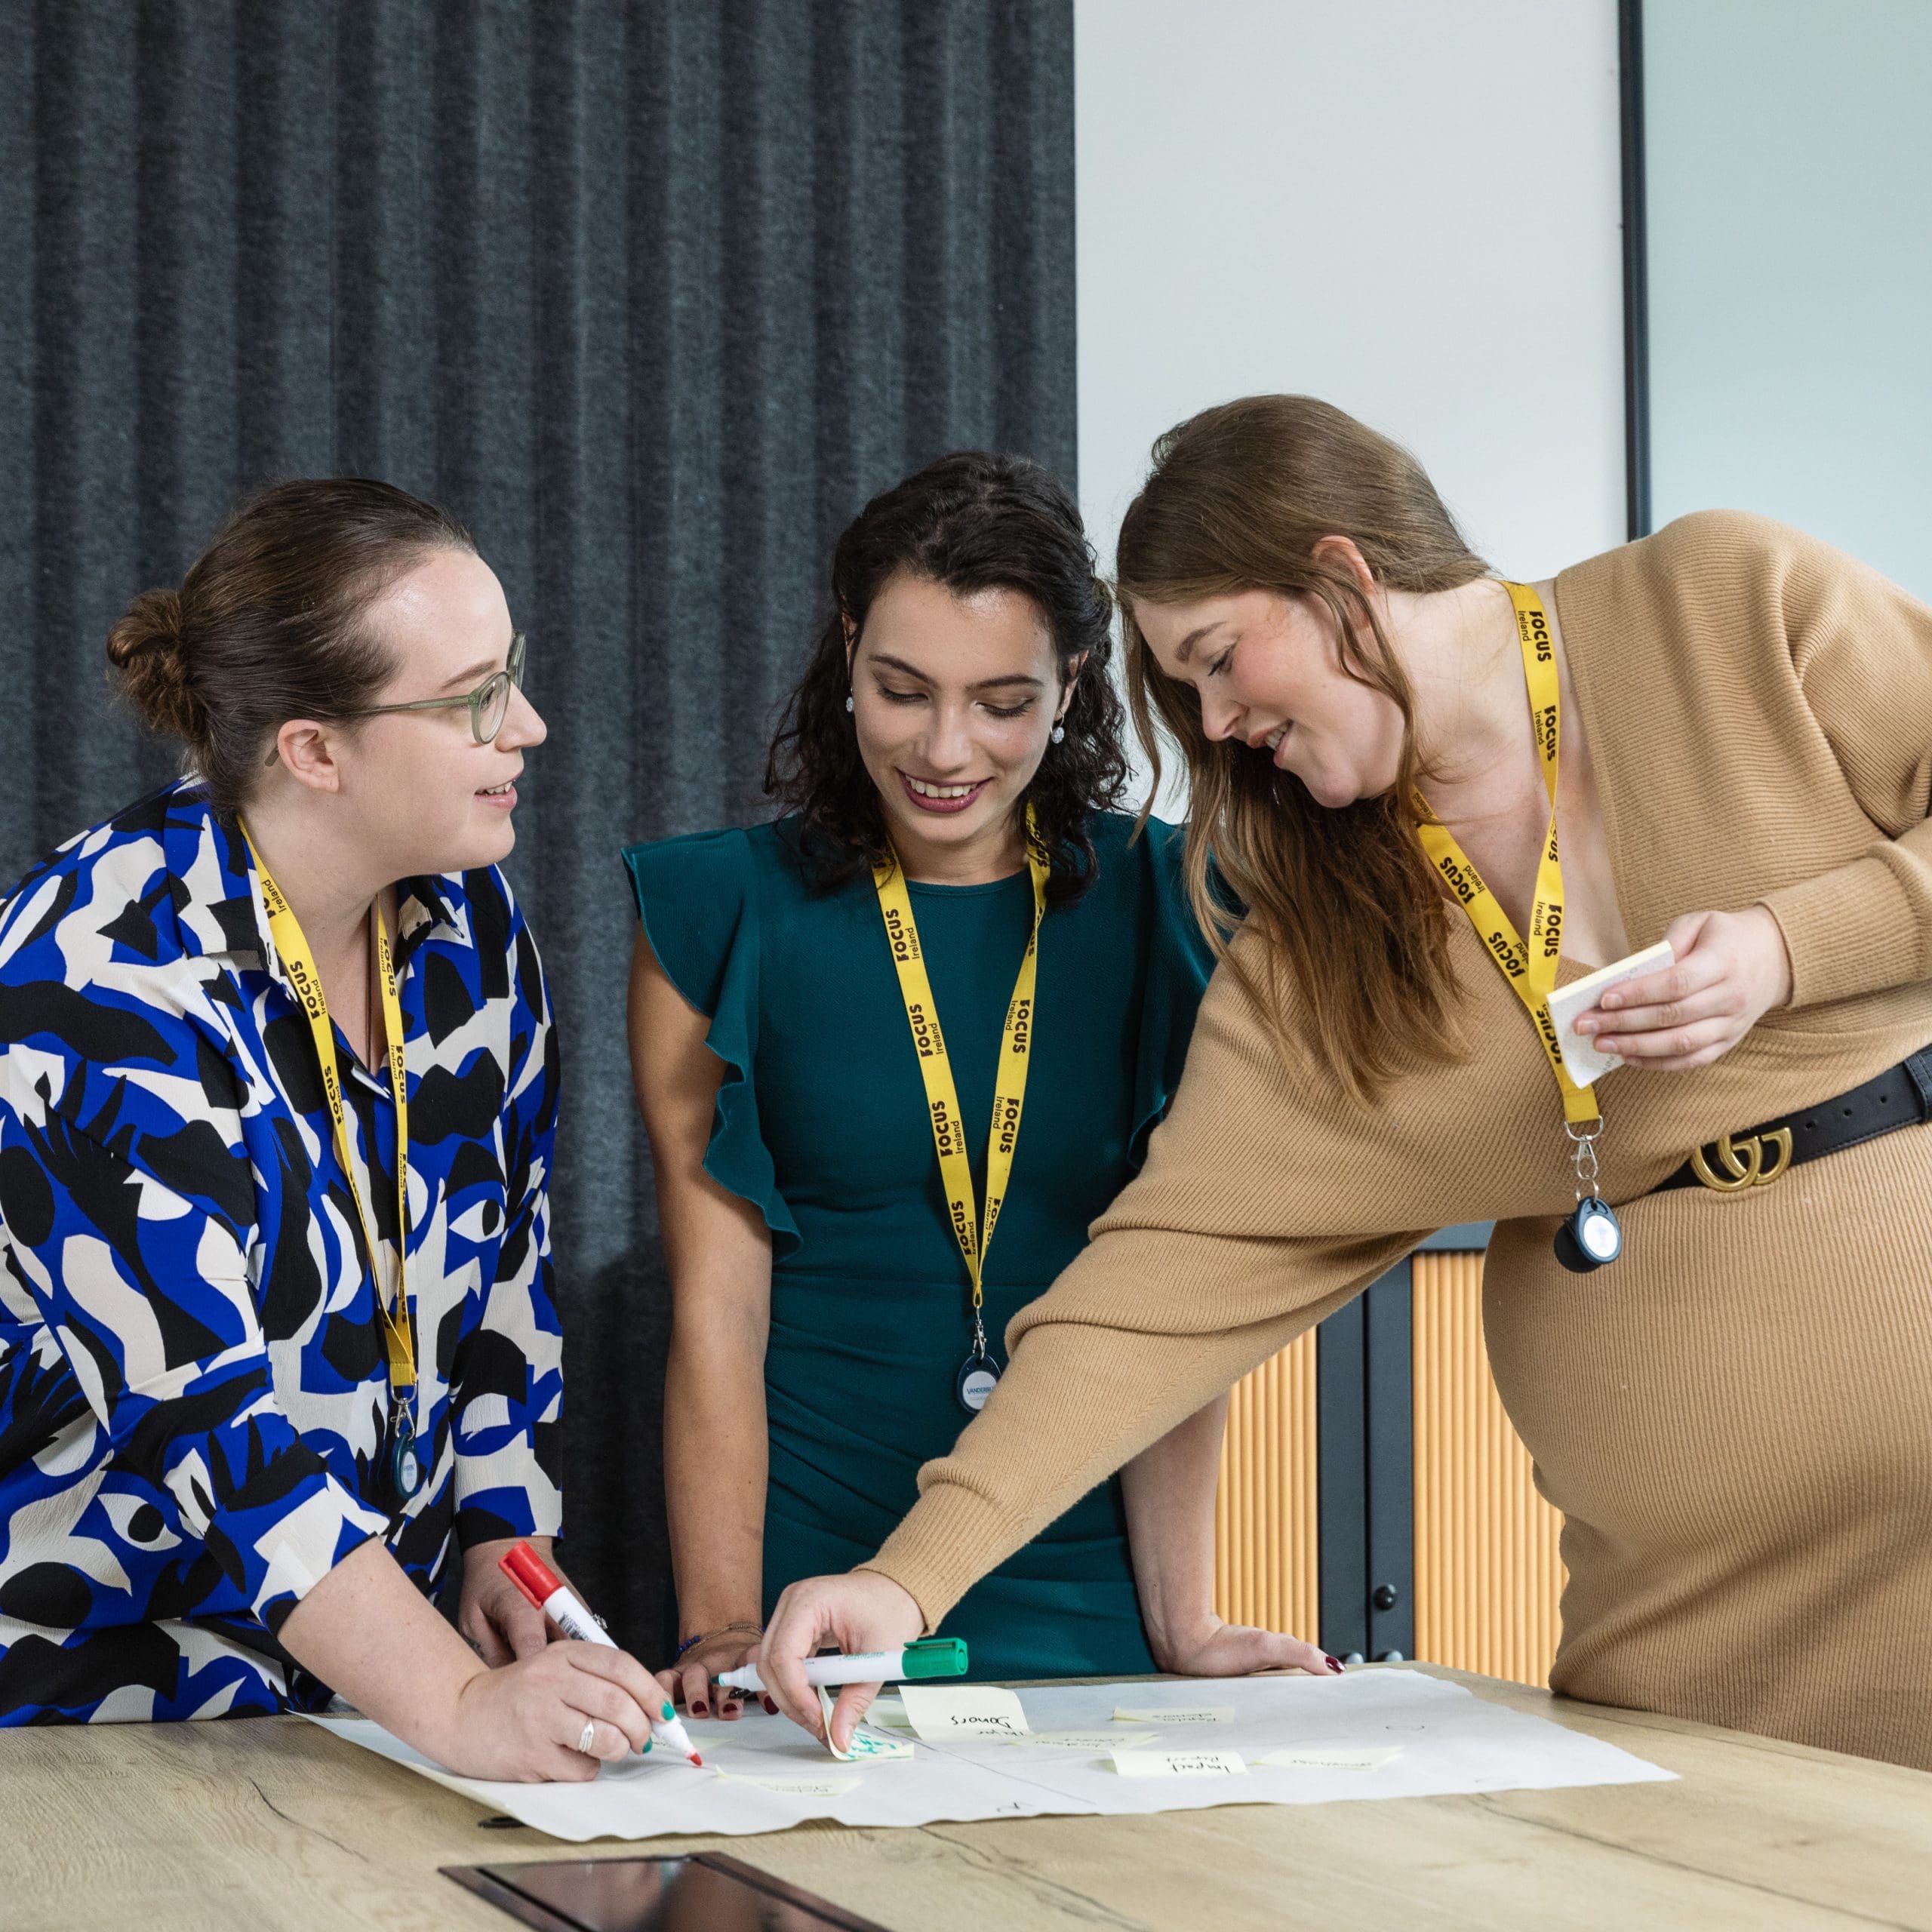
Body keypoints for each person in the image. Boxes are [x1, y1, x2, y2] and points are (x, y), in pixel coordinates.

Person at [755, 396, 1932, 1773]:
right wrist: (908, 1581)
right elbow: (1156, 1286)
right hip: (1675, 1628)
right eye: (1183, 692)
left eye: (1219, 658)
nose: (1217, 718)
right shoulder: (1315, 944)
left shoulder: (1723, 602)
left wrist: (1797, 946)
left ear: (1343, 578)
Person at [626, 451, 1338, 1719]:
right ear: (847, 653)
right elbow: (716, 1319)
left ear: (1072, 685)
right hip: (811, 1593)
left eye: (1003, 701)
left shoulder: (1176, 901)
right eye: (902, 690)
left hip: (1084, 1575)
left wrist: (1184, 1622)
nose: (946, 749)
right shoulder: (716, 911)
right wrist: (721, 1620)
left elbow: (1173, 1292)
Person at [0, 479, 664, 1780]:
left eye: (512, 673)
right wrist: (463, 1708)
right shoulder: (87, 988)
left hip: (366, 1699)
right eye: (475, 697)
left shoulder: (474, 930)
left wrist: (501, 1546)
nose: (527, 724)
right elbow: (213, 1431)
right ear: (315, 750)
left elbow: (505, 1293)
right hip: (83, 1714)